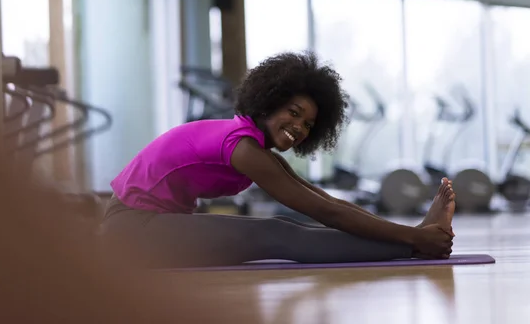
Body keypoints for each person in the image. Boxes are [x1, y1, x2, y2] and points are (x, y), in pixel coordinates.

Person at [101, 51, 455, 268]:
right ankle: (413, 248)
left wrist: (414, 232)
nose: (298, 127)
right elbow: (327, 213)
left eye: (308, 124)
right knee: (275, 233)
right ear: (269, 102)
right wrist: (411, 237)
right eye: (293, 112)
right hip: (133, 231)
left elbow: (327, 201)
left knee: (283, 230)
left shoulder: (254, 147)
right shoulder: (242, 148)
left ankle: (414, 243)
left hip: (147, 227)